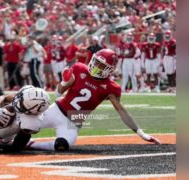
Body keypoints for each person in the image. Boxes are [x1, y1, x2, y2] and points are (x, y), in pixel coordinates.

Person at [26, 49, 161, 151]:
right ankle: (7, 136)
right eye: (96, 62)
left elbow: (122, 112)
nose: (96, 66)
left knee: (62, 145)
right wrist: (65, 81)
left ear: (110, 69)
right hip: (57, 110)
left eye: (101, 65)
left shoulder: (111, 87)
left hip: (73, 122)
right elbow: (57, 93)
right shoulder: (79, 68)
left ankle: (30, 145)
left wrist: (141, 133)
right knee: (26, 125)